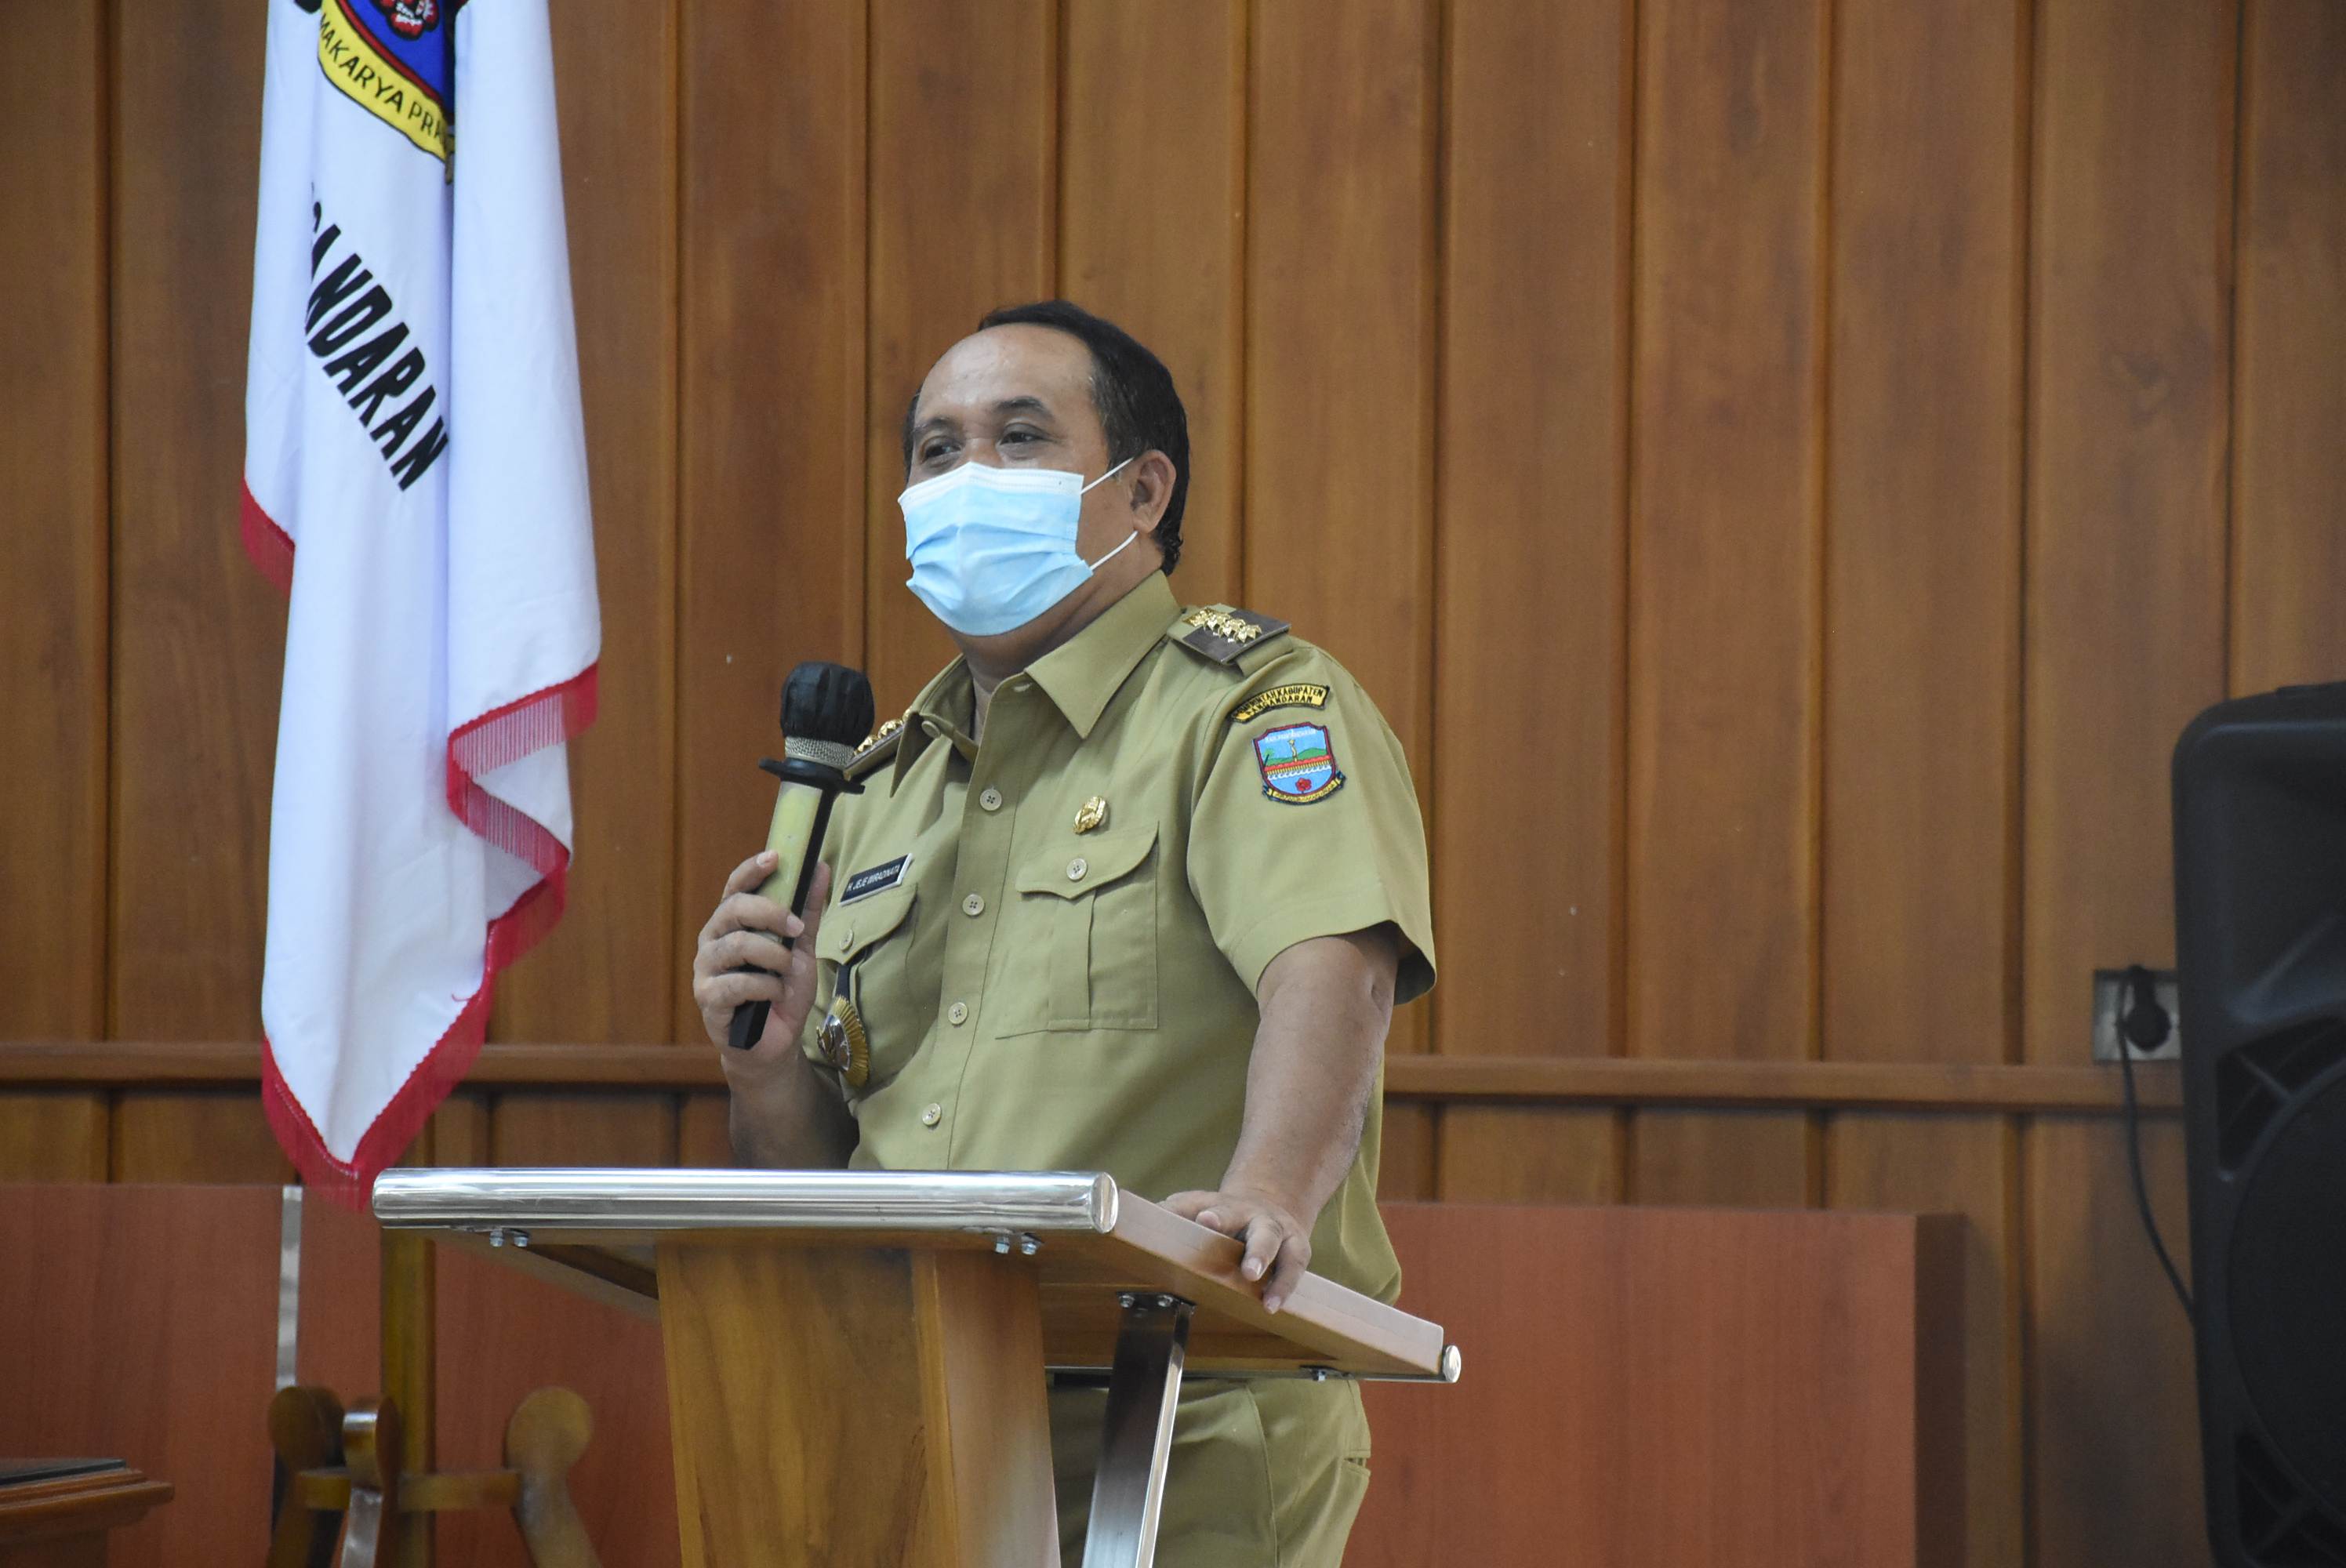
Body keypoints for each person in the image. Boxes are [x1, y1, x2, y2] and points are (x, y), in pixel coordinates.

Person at [690, 299, 1435, 1566]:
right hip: (905, 1407)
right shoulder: (876, 786)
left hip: (1171, 1416)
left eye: (1019, 437)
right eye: (936, 450)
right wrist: (765, 1071)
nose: (966, 477)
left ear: (1140, 490)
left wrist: (1262, 1196)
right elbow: (822, 1168)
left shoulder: (1250, 707)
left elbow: (1333, 968)